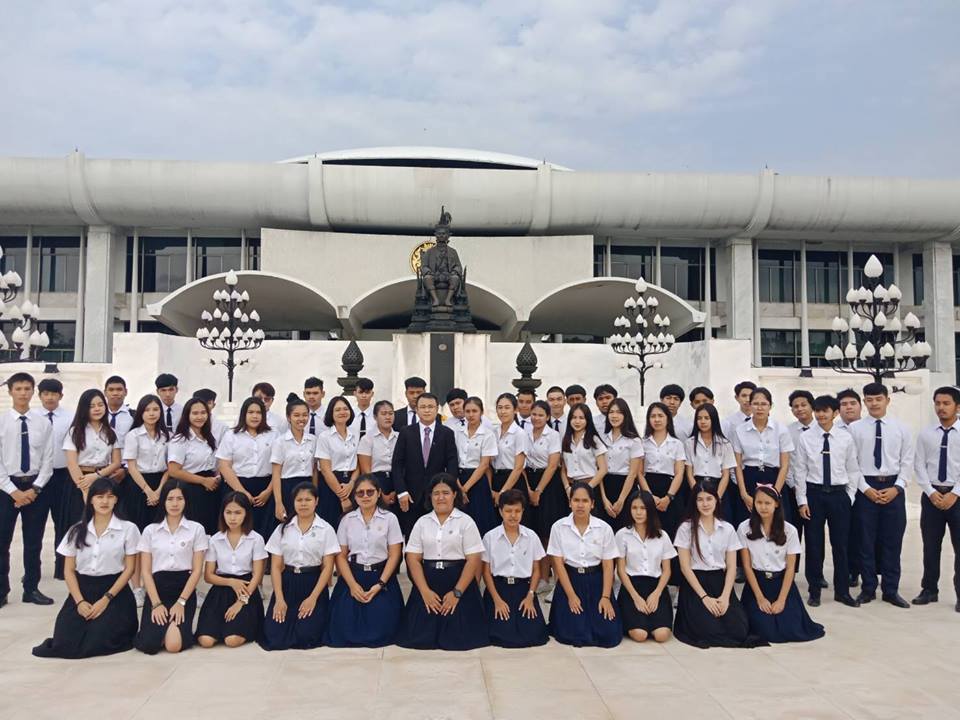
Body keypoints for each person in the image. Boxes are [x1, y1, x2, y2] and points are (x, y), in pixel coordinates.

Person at [32, 478, 140, 658]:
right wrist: (80, 602)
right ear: (91, 500)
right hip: (83, 590)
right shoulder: (76, 530)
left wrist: (106, 599)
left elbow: (129, 569)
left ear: (116, 500)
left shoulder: (129, 529)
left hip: (114, 591)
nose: (104, 501)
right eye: (99, 496)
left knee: (98, 641)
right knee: (64, 642)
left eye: (110, 497)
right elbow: (68, 571)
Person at [396, 473, 489, 650]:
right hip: (428, 582)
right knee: (416, 637)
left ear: (455, 494)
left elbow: (473, 559)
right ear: (430, 496)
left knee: (461, 638)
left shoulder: (466, 522)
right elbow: (413, 558)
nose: (440, 497)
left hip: (458, 582)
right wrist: (424, 591)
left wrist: (457, 593)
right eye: (436, 493)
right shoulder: (422, 522)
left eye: (446, 493)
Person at [673, 483, 762, 649]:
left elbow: (731, 567)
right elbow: (685, 568)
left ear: (716, 500)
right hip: (695, 584)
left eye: (709, 499)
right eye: (700, 500)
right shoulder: (686, 528)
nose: (705, 504)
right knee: (707, 631)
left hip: (720, 582)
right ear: (694, 502)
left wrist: (725, 597)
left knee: (739, 630)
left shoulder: (727, 529)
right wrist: (705, 598)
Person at [793, 395, 862, 608]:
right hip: (814, 494)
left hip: (839, 495)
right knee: (814, 545)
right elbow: (800, 470)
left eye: (825, 410)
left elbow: (853, 468)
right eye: (818, 410)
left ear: (835, 413)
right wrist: (802, 500)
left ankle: (842, 591)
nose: (821, 414)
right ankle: (814, 591)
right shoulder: (806, 438)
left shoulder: (845, 438)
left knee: (841, 545)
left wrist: (849, 496)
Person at [849, 382, 913, 608]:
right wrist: (866, 489)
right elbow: (851, 464)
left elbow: (907, 462)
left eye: (878, 399)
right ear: (864, 402)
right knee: (865, 542)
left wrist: (897, 487)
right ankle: (868, 588)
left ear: (887, 400)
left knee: (892, 541)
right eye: (869, 399)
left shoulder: (902, 428)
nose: (874, 403)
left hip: (893, 487)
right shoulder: (854, 429)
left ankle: (891, 590)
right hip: (866, 488)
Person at [738, 484, 824, 643]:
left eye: (768, 503)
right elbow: (747, 566)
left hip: (782, 583)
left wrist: (782, 600)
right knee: (762, 630)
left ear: (776, 504)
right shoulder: (744, 528)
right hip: (757, 583)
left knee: (790, 629)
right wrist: (760, 598)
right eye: (759, 502)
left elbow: (791, 568)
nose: (763, 507)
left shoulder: (789, 530)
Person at [325, 475, 404, 647]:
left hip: (381, 577)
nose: (365, 496)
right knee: (342, 629)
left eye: (370, 492)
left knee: (384, 628)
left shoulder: (390, 519)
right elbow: (341, 556)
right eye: (360, 493)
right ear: (354, 496)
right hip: (354, 576)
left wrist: (380, 584)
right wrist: (352, 585)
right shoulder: (346, 520)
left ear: (379, 493)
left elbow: (394, 555)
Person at [260, 482, 340, 651]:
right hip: (287, 584)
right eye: (299, 500)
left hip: (313, 584)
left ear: (316, 501)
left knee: (306, 636)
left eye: (308, 500)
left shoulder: (326, 529)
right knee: (275, 636)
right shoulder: (282, 529)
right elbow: (275, 567)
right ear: (293, 502)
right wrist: (279, 599)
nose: (303, 504)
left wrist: (313, 598)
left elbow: (327, 567)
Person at [0, 372, 54, 608]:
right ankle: (2, 590)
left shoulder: (43, 423)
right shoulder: (2, 422)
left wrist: (35, 489)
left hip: (35, 488)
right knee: (2, 541)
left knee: (34, 542)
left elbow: (48, 460)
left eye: (27, 388)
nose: (23, 393)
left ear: (33, 392)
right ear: (10, 391)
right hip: (6, 489)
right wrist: (13, 491)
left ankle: (31, 588)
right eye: (18, 389)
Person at [135, 481, 208, 654]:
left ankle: (173, 629)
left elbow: (197, 570)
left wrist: (181, 602)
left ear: (186, 501)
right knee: (149, 645)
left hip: (183, 590)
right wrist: (156, 604)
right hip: (157, 590)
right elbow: (146, 572)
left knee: (173, 646)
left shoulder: (196, 529)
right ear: (163, 501)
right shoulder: (150, 530)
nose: (175, 504)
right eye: (170, 499)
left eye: (179, 499)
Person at [547, 482, 621, 647]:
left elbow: (608, 566)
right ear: (569, 502)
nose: (580, 505)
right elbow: (558, 565)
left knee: (609, 635)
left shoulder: (604, 528)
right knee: (572, 633)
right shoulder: (558, 527)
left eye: (585, 501)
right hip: (570, 580)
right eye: (576, 500)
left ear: (592, 504)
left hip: (597, 582)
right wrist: (571, 596)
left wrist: (605, 597)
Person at [196, 492, 267, 648]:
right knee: (205, 641)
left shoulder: (256, 539)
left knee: (232, 640)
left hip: (246, 589)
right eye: (228, 512)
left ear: (246, 514)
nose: (232, 518)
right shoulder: (215, 539)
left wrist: (241, 601)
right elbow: (208, 576)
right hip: (221, 589)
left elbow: (257, 575)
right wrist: (231, 582)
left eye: (237, 513)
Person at [911, 386, 960, 612]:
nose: (941, 407)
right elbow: (919, 465)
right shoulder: (926, 434)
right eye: (938, 403)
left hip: (957, 497)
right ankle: (929, 589)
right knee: (931, 546)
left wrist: (954, 493)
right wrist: (930, 492)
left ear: (957, 406)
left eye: (946, 403)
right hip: (931, 497)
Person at [481, 489, 548, 647]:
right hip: (499, 589)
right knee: (498, 634)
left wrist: (530, 596)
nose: (513, 515)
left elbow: (536, 570)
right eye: (508, 511)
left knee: (534, 635)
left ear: (523, 511)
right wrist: (497, 600)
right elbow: (486, 572)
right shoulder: (490, 537)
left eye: (517, 511)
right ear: (500, 511)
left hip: (523, 589)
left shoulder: (531, 536)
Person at [391, 392, 458, 538]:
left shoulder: (446, 433)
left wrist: (447, 490)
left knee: (438, 536)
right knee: (412, 536)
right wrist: (401, 491)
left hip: (437, 494)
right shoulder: (406, 432)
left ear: (437, 409)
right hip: (410, 495)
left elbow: (452, 464)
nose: (427, 410)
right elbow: (397, 464)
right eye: (423, 407)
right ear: (416, 409)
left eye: (430, 407)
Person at [62, 389, 122, 545]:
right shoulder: (75, 431)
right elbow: (72, 463)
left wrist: (97, 476)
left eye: (100, 405)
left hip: (104, 481)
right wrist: (85, 489)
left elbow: (116, 462)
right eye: (92, 406)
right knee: (78, 525)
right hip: (79, 481)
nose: (97, 409)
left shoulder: (111, 432)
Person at [616, 490, 676, 643]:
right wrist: (635, 597)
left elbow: (667, 570)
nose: (638, 512)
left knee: (662, 635)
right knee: (640, 635)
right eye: (634, 508)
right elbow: (621, 570)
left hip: (656, 586)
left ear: (650, 510)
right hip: (632, 586)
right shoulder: (622, 534)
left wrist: (657, 593)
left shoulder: (662, 536)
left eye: (643, 508)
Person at [731, 387, 793, 527]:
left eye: (764, 404)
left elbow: (784, 465)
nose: (759, 408)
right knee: (748, 525)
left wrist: (775, 492)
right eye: (756, 404)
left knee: (777, 526)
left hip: (774, 479)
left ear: (770, 406)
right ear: (750, 405)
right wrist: (743, 493)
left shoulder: (781, 429)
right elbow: (737, 465)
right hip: (749, 479)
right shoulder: (740, 430)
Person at [217, 396, 277, 537]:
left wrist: (268, 491)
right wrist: (242, 492)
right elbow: (224, 466)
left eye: (258, 412)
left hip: (265, 487)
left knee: (264, 530)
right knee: (238, 528)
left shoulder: (273, 435)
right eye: (251, 412)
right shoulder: (231, 435)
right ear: (244, 414)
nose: (255, 416)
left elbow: (278, 466)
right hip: (237, 486)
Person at [34, 377, 73, 579]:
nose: (50, 397)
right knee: (35, 525)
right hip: (38, 477)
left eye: (54, 394)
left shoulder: (70, 417)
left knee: (63, 523)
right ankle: (33, 570)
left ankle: (62, 567)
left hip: (62, 476)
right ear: (39, 395)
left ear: (61, 395)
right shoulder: (31, 417)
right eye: (46, 394)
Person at [167, 398, 221, 535]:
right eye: (195, 413)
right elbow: (173, 471)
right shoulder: (180, 439)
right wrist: (203, 481)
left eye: (203, 413)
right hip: (191, 489)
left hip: (211, 488)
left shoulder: (208, 437)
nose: (200, 416)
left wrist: (216, 477)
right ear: (187, 415)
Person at [638, 402, 686, 544]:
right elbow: (639, 473)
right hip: (649, 487)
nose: (657, 419)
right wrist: (649, 496)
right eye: (653, 416)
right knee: (648, 531)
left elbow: (679, 473)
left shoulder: (677, 444)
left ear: (667, 419)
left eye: (660, 416)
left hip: (670, 489)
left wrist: (668, 497)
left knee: (670, 532)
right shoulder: (643, 443)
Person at [123, 394, 169, 531]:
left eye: (155, 409)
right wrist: (148, 491)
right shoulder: (133, 435)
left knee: (159, 526)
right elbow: (131, 467)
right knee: (138, 524)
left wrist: (159, 491)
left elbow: (170, 467)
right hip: (138, 484)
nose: (151, 413)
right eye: (147, 410)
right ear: (141, 412)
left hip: (161, 482)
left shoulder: (167, 435)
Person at [270, 394, 318, 525]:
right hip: (287, 487)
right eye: (296, 415)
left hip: (308, 486)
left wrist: (315, 492)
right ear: (288, 417)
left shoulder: (313, 440)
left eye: (305, 415)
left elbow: (314, 470)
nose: (301, 419)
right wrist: (278, 503)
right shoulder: (280, 442)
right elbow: (276, 474)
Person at [525, 400, 564, 561]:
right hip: (528, 478)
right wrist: (529, 489)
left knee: (546, 529)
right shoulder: (525, 433)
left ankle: (547, 571)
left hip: (548, 482)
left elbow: (553, 465)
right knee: (531, 527)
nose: (536, 418)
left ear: (547, 417)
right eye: (534, 414)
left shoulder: (553, 435)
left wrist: (538, 491)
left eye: (540, 415)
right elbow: (521, 462)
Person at [455, 396, 498, 537]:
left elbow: (484, 464)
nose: (471, 415)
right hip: (458, 478)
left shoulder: (488, 434)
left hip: (477, 480)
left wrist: (465, 489)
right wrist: (459, 487)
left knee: (480, 521)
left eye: (474, 411)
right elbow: (452, 459)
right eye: (467, 411)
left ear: (481, 412)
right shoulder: (457, 432)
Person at [315, 396, 360, 528]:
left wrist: (351, 483)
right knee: (331, 524)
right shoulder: (325, 437)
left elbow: (358, 463)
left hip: (351, 483)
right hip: (331, 484)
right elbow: (325, 469)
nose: (342, 412)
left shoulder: (355, 435)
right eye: (338, 410)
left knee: (352, 526)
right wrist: (343, 498)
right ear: (331, 413)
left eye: (345, 409)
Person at [836, 387, 865, 590]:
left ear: (860, 406)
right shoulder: (834, 431)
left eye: (853, 403)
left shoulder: (867, 428)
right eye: (844, 404)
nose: (849, 407)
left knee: (861, 532)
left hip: (864, 488)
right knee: (844, 534)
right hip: (842, 489)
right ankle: (848, 571)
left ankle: (862, 570)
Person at [684, 403, 735, 512]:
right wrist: (697, 494)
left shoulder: (725, 444)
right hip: (696, 486)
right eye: (699, 418)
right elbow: (689, 473)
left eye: (707, 418)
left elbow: (726, 475)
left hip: (718, 487)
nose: (702, 421)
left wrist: (717, 497)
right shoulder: (689, 443)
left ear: (714, 419)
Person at [601, 398, 643, 529]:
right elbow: (599, 469)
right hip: (605, 485)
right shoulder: (602, 438)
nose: (614, 416)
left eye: (619, 412)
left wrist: (621, 500)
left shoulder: (634, 440)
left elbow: (633, 473)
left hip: (625, 487)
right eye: (611, 412)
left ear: (626, 415)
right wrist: (604, 499)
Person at [561, 403, 607, 509]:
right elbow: (563, 469)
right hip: (571, 488)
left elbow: (603, 469)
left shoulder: (594, 440)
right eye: (574, 418)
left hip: (591, 486)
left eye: (581, 418)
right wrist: (567, 488)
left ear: (587, 420)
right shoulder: (566, 440)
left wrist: (588, 488)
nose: (577, 421)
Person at [358, 400, 399, 512]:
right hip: (376, 481)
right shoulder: (367, 439)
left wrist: (398, 489)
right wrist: (379, 492)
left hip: (397, 480)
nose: (388, 417)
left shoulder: (400, 437)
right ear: (375, 417)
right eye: (383, 414)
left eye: (391, 413)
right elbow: (366, 470)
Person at [492, 393, 529, 508]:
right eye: (500, 408)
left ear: (515, 410)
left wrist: (503, 492)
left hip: (513, 481)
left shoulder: (520, 434)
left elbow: (518, 468)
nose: (503, 411)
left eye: (507, 408)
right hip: (496, 479)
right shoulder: (493, 432)